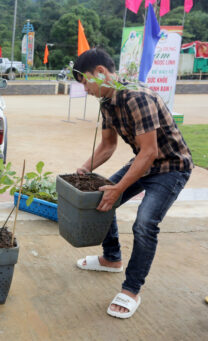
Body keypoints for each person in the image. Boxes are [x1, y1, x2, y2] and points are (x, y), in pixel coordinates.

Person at [72, 48, 193, 319]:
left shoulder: (136, 97)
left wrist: (118, 189)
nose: (86, 90)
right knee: (98, 200)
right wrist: (84, 168)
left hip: (171, 166)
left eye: (85, 82)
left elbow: (149, 152)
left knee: (145, 223)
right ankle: (111, 258)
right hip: (145, 162)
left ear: (101, 73)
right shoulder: (107, 103)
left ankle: (131, 289)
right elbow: (108, 145)